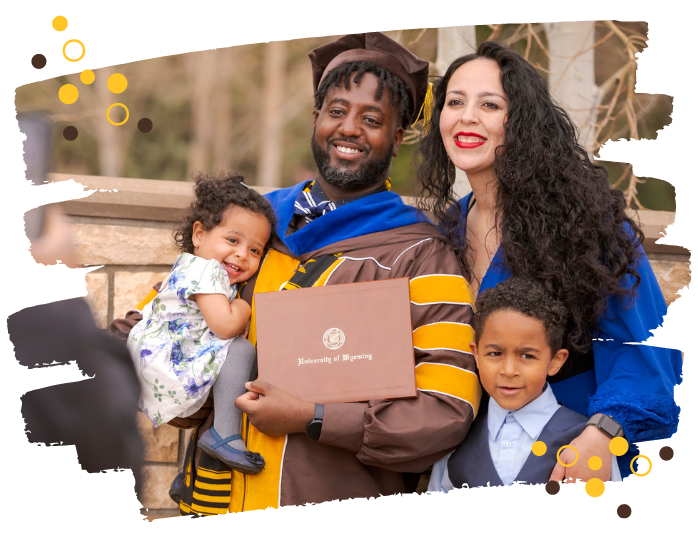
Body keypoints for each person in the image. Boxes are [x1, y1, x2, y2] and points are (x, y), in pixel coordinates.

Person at [111, 32, 479, 515]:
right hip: (213, 502)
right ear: (316, 120)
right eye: (336, 111)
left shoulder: (420, 255)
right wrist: (192, 389)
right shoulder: (249, 230)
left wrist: (314, 417)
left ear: (397, 136)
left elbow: (446, 411)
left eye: (372, 119)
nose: (349, 128)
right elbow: (155, 332)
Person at [416, 40, 682, 481]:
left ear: (521, 123)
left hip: (575, 456)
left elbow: (646, 350)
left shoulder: (585, 223)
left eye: (490, 104)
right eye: (455, 101)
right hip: (475, 462)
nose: (467, 116)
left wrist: (602, 433)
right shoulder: (445, 232)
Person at [127, 172, 275, 474]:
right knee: (240, 350)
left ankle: (190, 472)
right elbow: (224, 325)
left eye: (255, 250)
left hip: (162, 356)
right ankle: (225, 434)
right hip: (169, 362)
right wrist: (244, 307)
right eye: (232, 240)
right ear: (199, 234)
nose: (241, 255)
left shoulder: (195, 268)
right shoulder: (204, 272)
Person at [428, 278, 621, 491]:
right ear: (476, 354)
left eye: (527, 356)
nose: (509, 370)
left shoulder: (587, 441)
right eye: (495, 353)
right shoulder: (456, 438)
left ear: (555, 361)